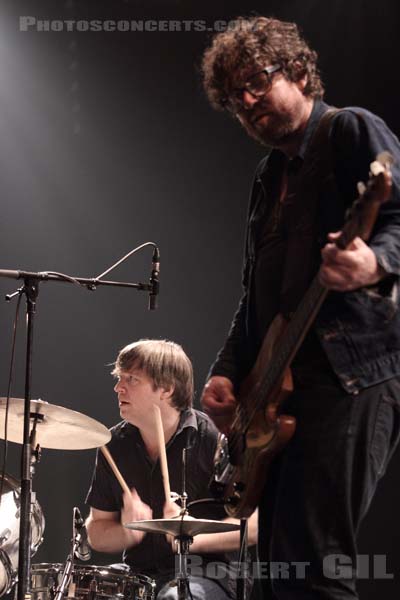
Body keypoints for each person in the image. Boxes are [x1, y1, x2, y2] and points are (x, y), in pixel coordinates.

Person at [200, 15, 400, 600]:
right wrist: (225, 372)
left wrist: (374, 264)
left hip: (348, 377)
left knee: (315, 565)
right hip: (279, 392)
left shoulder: (350, 131)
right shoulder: (269, 177)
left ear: (298, 72)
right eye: (235, 96)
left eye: (257, 80)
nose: (247, 99)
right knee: (275, 571)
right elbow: (255, 298)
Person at [85, 339, 257, 600]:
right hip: (139, 572)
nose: (118, 387)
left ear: (166, 388)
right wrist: (126, 532)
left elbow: (255, 525)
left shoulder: (215, 438)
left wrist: (192, 538)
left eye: (131, 379)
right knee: (86, 590)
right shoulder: (113, 445)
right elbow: (97, 530)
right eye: (120, 378)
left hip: (208, 573)